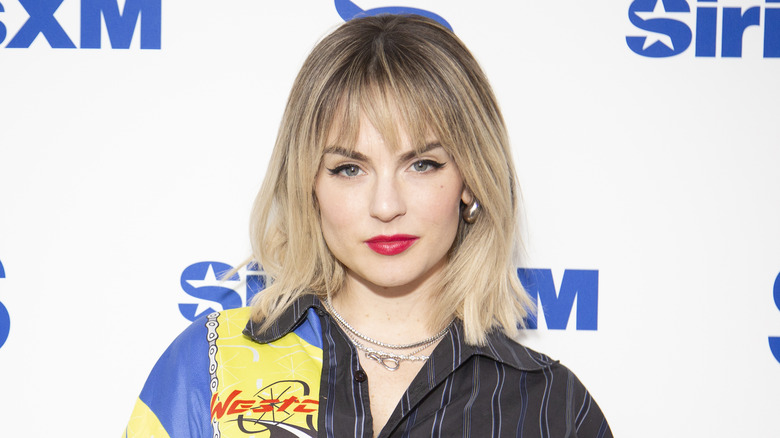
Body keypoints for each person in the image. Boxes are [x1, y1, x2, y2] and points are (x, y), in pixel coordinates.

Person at [124, 14, 612, 438]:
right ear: (308, 182)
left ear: (469, 177)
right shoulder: (213, 364)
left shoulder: (553, 407)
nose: (385, 205)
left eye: (422, 164)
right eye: (349, 169)